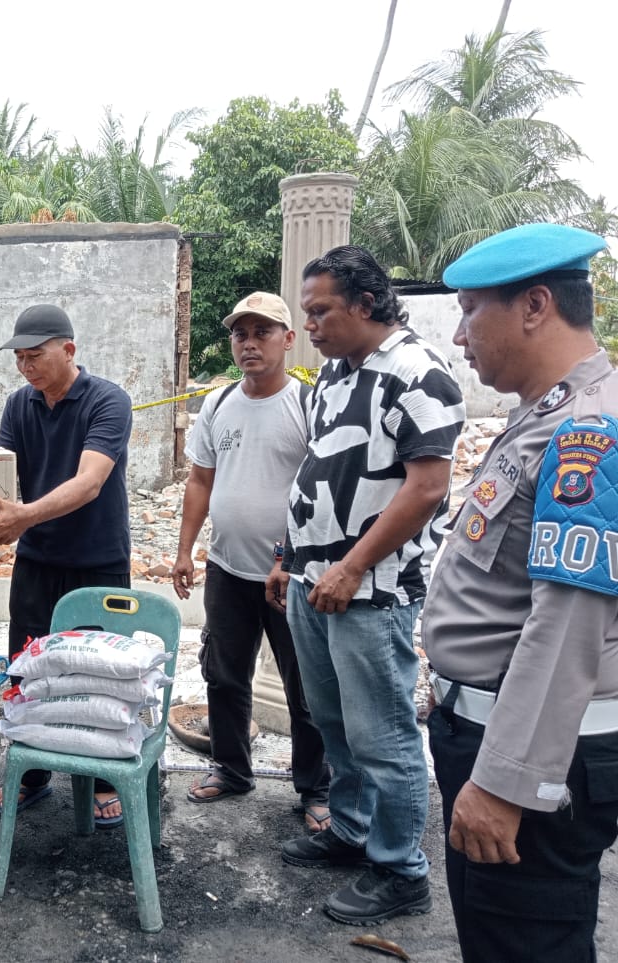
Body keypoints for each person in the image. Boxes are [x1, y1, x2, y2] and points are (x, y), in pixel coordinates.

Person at [422, 223, 618, 962]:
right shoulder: (546, 413)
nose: (461, 336)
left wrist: (508, 782)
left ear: (535, 305)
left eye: (471, 310)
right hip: (497, 725)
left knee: (527, 943)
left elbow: (568, 623)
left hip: (534, 750)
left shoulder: (587, 431)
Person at [267, 246, 465, 925]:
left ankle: (401, 870)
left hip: (372, 588)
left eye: (321, 311)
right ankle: (351, 831)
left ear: (366, 304)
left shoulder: (417, 373)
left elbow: (428, 486)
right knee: (334, 722)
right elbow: (320, 472)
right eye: (307, 311)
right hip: (314, 581)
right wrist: (287, 555)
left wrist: (353, 565)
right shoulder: (332, 376)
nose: (311, 324)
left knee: (384, 735)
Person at [172, 292, 330, 831]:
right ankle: (232, 768)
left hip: (291, 575)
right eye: (241, 333)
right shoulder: (217, 405)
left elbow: (322, 493)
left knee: (303, 685)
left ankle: (316, 788)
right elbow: (200, 481)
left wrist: (290, 556)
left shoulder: (309, 406)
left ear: (289, 339)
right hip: (227, 567)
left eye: (263, 332)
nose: (250, 343)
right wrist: (184, 549)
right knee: (223, 674)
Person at [0, 303, 132, 827]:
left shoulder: (108, 400)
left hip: (98, 559)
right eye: (19, 358)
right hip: (38, 560)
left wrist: (23, 518)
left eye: (35, 355)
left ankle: (106, 778)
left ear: (69, 350)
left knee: (100, 673)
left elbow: (90, 483)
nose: (26, 367)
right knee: (28, 669)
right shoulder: (19, 405)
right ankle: (34, 773)